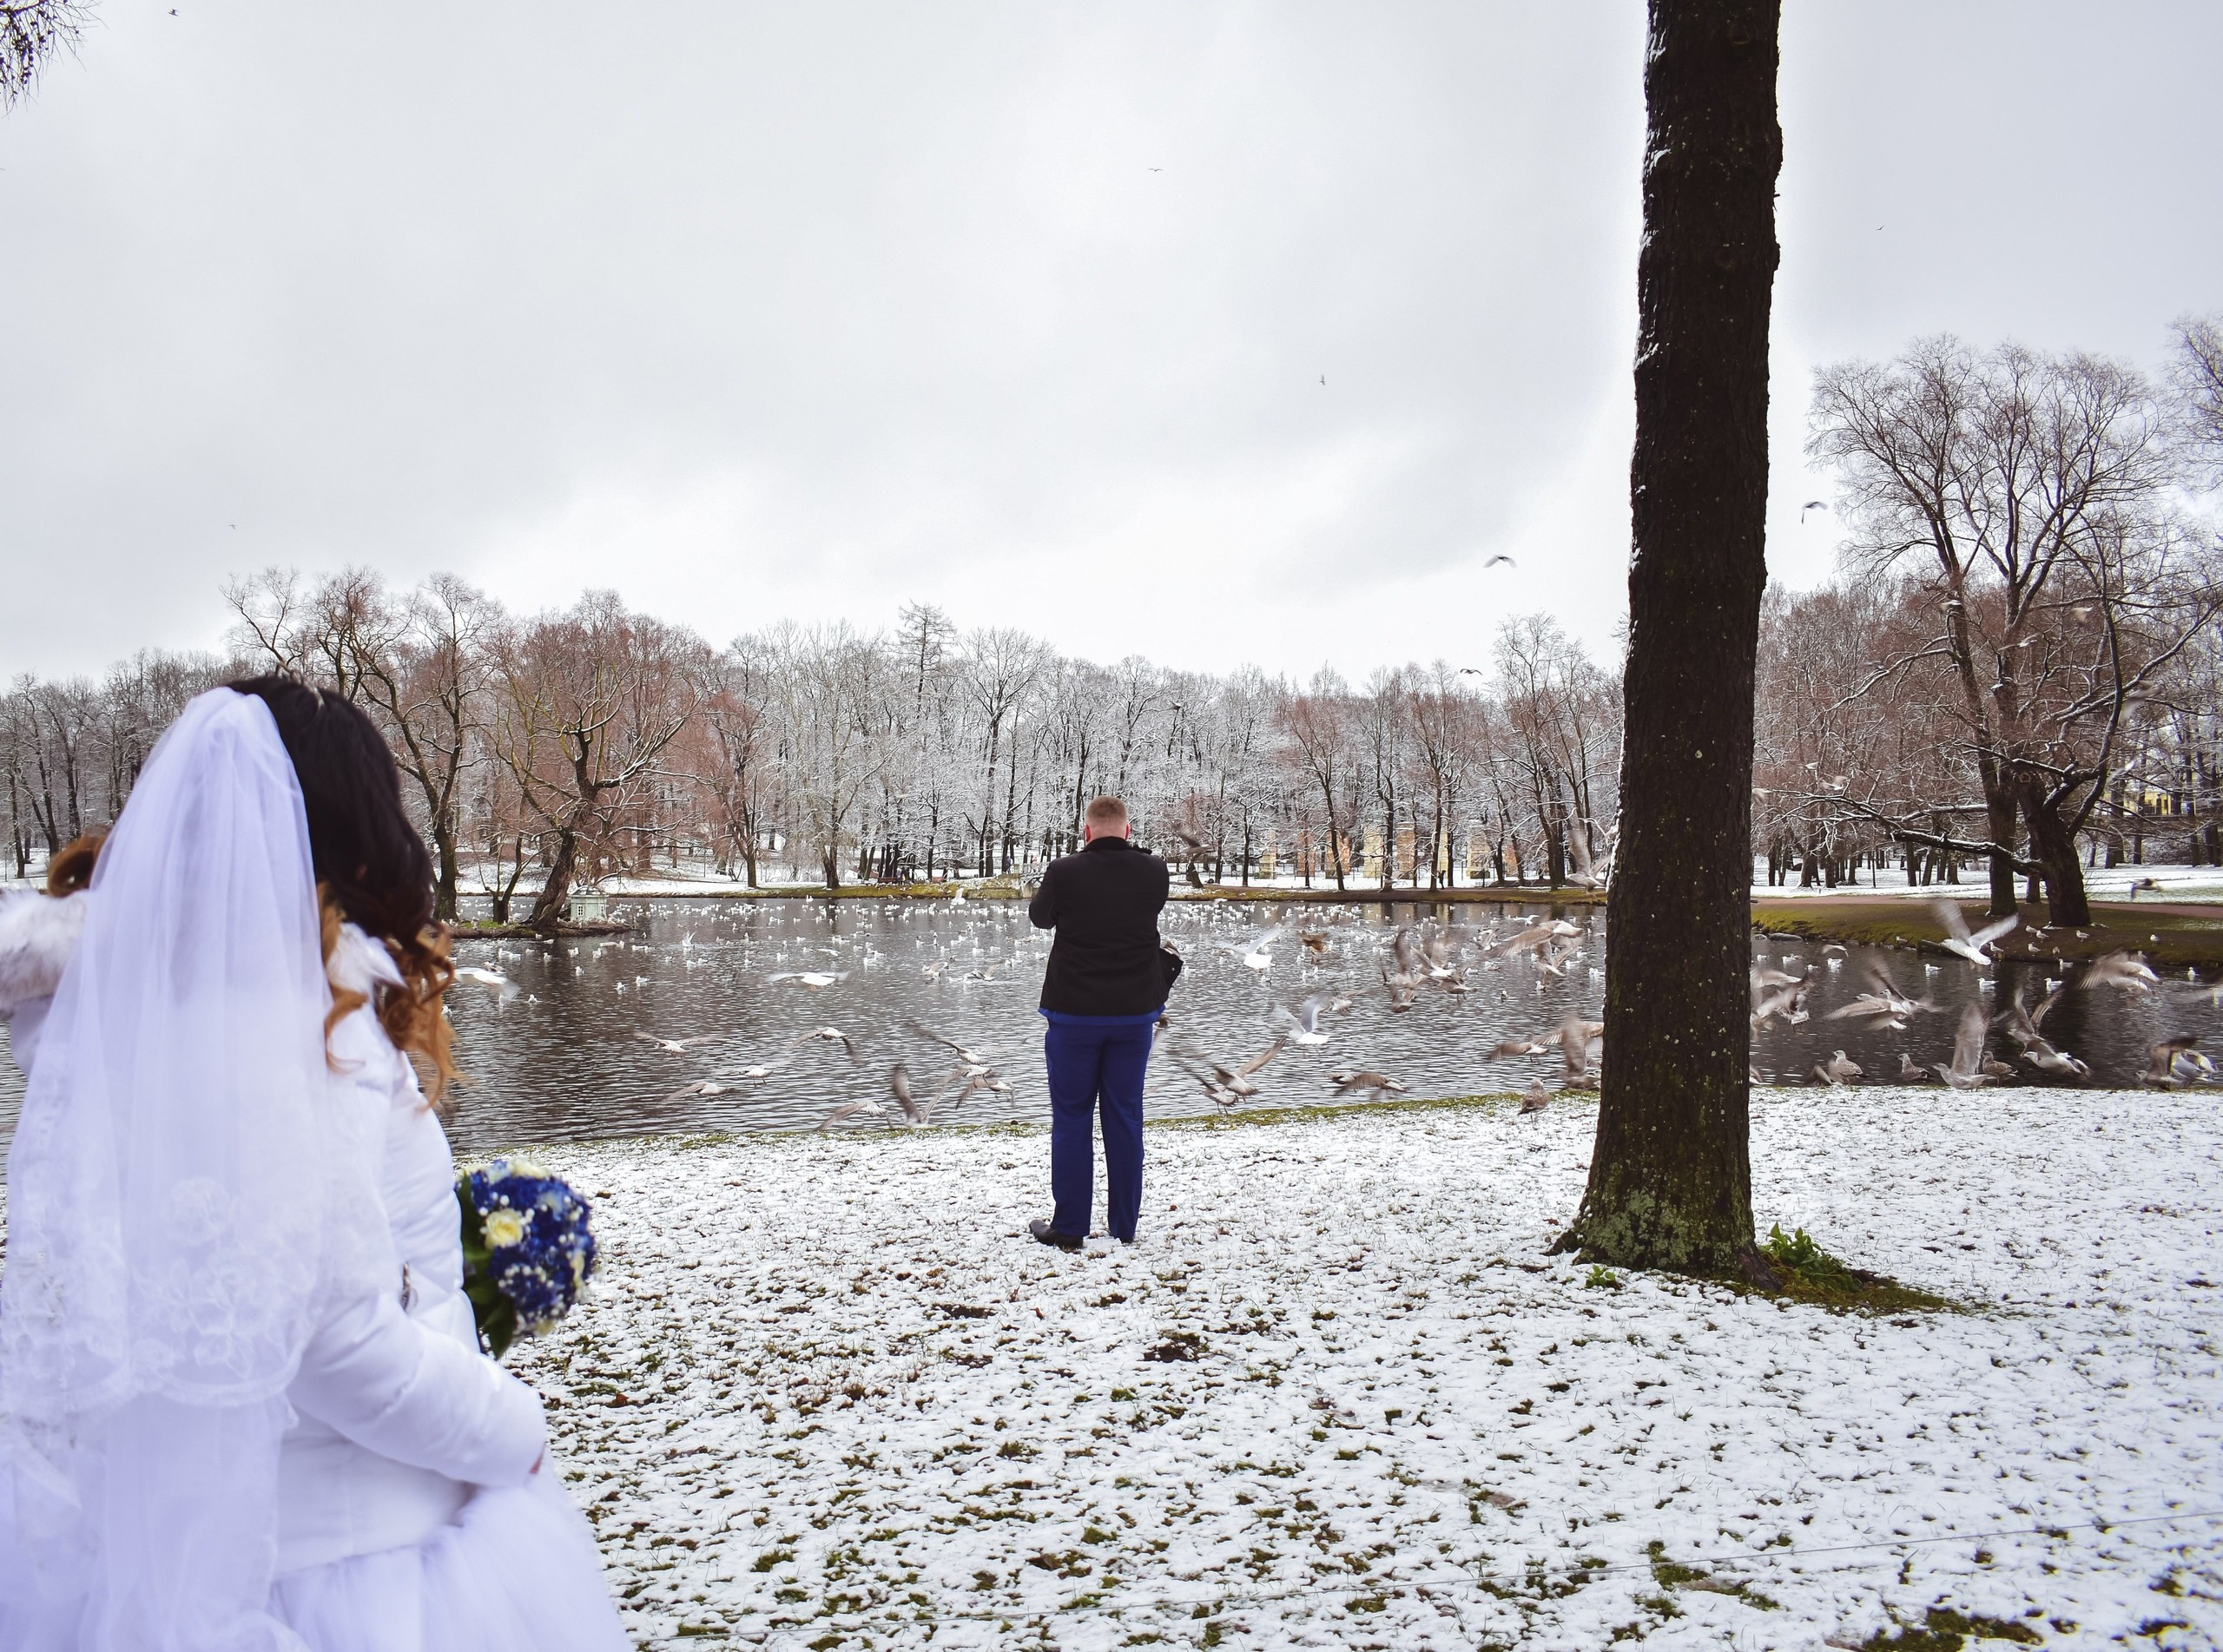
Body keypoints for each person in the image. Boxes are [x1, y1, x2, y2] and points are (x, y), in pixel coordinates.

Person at [0, 682, 629, 1652]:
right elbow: (330, 1335)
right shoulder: (295, 1024)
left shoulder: (126, 1016)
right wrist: (511, 1428)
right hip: (357, 1572)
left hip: (196, 1551)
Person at [1026, 795, 1175, 1249]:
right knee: (1125, 1116)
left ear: (1086, 831)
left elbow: (1040, 918)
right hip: (1133, 1016)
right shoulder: (1155, 871)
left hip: (1074, 1016)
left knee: (1071, 1117)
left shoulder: (1064, 871)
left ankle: (1070, 1227)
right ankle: (1123, 1227)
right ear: (1128, 830)